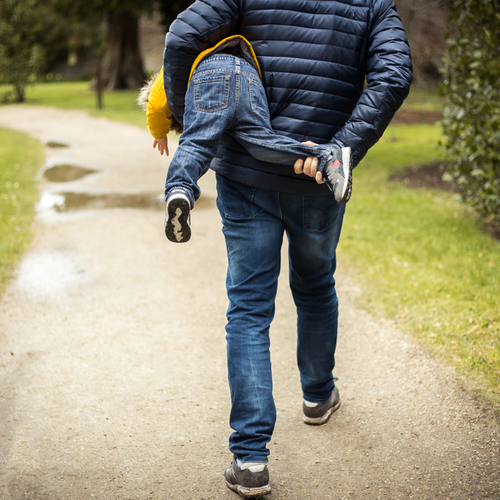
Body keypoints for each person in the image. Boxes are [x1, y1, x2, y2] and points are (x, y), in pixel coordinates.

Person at [163, 0, 412, 497]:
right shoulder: (371, 4)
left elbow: (181, 36)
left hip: (247, 171)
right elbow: (394, 75)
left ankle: (251, 458)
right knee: (317, 286)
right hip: (316, 179)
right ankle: (318, 397)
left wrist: (183, 111)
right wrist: (338, 150)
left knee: (249, 308)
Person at [139, 36, 352, 243]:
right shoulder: (229, 39)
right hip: (249, 74)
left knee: (196, 144)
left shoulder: (176, 63)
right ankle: (327, 158)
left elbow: (156, 103)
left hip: (209, 74)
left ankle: (180, 190)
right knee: (263, 143)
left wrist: (159, 133)